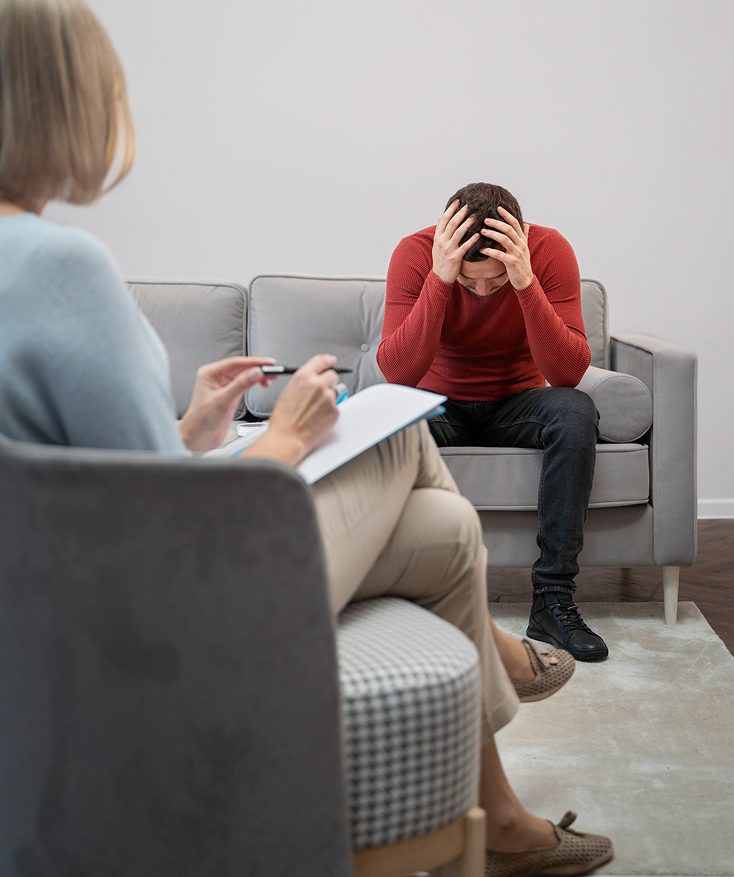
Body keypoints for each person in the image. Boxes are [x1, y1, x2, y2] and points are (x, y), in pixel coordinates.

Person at [0, 2, 613, 874]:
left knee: (444, 535)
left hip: (88, 592)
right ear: (67, 107)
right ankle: (503, 655)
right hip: (169, 609)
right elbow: (162, 521)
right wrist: (283, 437)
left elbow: (101, 484)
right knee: (401, 429)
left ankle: (504, 813)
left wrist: (190, 428)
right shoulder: (62, 264)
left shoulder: (25, 265)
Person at [379, 182, 609, 663]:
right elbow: (399, 373)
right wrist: (441, 279)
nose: (482, 291)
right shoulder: (416, 253)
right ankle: (408, 600)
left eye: (495, 280)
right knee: (388, 419)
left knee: (575, 410)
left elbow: (566, 374)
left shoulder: (549, 251)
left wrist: (524, 283)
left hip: (518, 402)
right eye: (469, 281)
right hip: (439, 403)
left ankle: (552, 601)